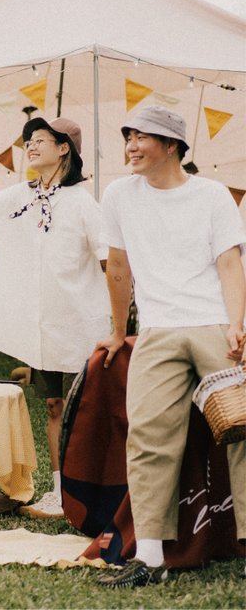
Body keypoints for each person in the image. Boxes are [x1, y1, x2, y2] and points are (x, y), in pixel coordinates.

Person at [95, 105, 246, 588]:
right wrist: (120, 332)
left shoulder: (213, 195)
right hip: (158, 330)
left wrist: (237, 325)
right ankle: (153, 558)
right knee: (147, 436)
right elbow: (118, 269)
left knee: (243, 431)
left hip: (213, 325)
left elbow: (229, 265)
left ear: (173, 146)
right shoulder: (119, 195)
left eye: (142, 137)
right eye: (129, 137)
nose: (131, 147)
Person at [0, 116, 110, 519]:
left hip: (81, 327)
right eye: (28, 141)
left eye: (40, 140)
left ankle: (91, 492)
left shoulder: (83, 203)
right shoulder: (19, 196)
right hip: (42, 329)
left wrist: (121, 321)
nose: (31, 146)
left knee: (86, 414)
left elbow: (110, 260)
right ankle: (59, 492)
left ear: (64, 150)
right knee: (53, 407)